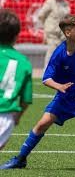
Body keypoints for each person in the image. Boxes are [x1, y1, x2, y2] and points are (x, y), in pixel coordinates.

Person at [0, 14, 75, 173]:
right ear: (68, 33)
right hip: (66, 96)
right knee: (41, 124)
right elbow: (46, 78)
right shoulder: (59, 53)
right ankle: (20, 159)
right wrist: (58, 86)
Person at [0, 9, 32, 150]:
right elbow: (26, 99)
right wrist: (17, 117)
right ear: (16, 36)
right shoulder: (23, 62)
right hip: (5, 118)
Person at [38, 0, 70, 70]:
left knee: (62, 53)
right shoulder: (50, 3)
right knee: (51, 52)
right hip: (52, 32)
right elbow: (41, 15)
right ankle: (47, 71)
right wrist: (46, 26)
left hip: (62, 33)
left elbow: (66, 17)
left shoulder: (65, 3)